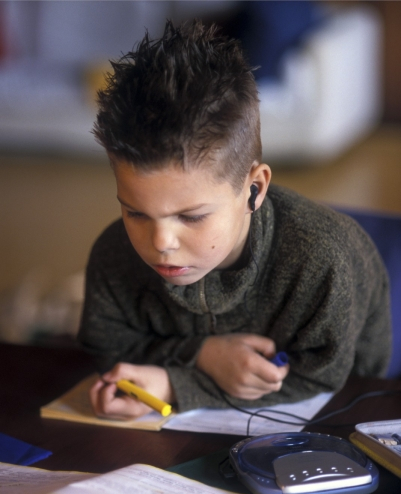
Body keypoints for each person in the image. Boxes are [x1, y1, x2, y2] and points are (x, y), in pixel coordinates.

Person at [78, 20, 391, 420]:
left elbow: (323, 378)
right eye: (135, 212)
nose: (160, 242)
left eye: (191, 217)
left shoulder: (320, 257)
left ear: (254, 189)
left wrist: (179, 382)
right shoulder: (113, 253)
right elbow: (105, 346)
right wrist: (203, 355)